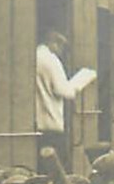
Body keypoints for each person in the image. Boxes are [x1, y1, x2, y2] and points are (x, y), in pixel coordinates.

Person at [35, 30, 92, 164]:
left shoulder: (35, 56)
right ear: (54, 43)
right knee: (59, 167)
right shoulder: (50, 59)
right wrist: (82, 80)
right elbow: (64, 91)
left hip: (38, 125)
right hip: (51, 125)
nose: (62, 53)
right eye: (62, 48)